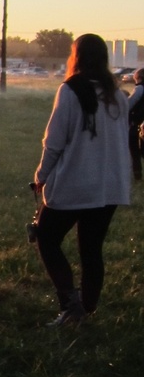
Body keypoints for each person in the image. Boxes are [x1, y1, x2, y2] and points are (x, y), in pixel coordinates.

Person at [34, 33, 131, 327]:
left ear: (76, 56)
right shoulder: (117, 94)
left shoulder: (69, 91)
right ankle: (85, 309)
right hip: (109, 186)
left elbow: (54, 142)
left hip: (75, 183)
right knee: (91, 249)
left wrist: (41, 176)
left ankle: (71, 306)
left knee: (47, 238)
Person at [125, 67, 144, 181]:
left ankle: (137, 175)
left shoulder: (139, 88)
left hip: (136, 124)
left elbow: (128, 104)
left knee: (134, 150)